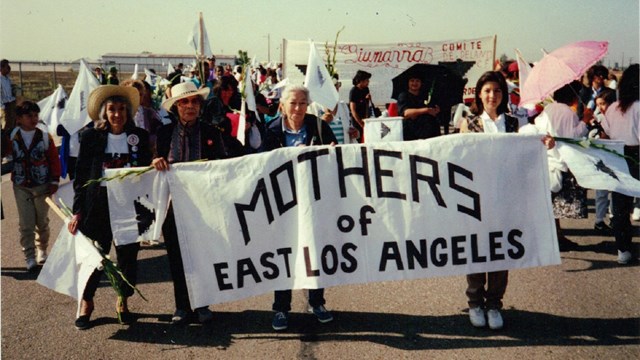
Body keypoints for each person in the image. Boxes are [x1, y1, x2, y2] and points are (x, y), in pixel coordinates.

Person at [460, 71, 555, 330]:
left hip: (507, 197)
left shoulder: (514, 123)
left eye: (498, 91)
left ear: (504, 94)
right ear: (479, 93)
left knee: (501, 252)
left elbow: (527, 149)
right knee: (478, 250)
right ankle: (475, 302)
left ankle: (494, 303)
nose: (493, 96)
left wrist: (543, 143)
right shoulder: (470, 123)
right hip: (477, 197)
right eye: (488, 90)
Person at [152, 82, 244, 325]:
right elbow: (151, 162)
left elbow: (224, 164)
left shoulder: (211, 133)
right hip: (172, 205)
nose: (190, 106)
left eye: (194, 102)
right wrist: (156, 161)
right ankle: (182, 306)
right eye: (184, 102)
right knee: (176, 256)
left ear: (200, 106)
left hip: (203, 208)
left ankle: (202, 302)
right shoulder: (163, 134)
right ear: (176, 107)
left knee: (201, 256)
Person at [68, 85, 152, 330]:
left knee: (127, 255)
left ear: (128, 112)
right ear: (104, 112)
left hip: (128, 205)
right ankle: (86, 301)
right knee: (95, 255)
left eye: (122, 110)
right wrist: (77, 210)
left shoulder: (139, 137)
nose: (117, 115)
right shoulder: (91, 137)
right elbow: (81, 175)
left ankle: (123, 299)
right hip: (98, 205)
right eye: (112, 109)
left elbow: (146, 172)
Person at [261, 85, 337, 331]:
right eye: (293, 103)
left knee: (314, 252)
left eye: (303, 103)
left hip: (315, 200)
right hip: (283, 203)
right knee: (285, 254)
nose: (298, 108)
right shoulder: (271, 131)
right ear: (281, 105)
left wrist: (333, 152)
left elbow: (337, 156)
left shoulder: (318, 126)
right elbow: (261, 165)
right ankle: (281, 308)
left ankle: (317, 302)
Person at [6, 101, 61, 271]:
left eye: (36, 115)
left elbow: (53, 159)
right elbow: (6, 154)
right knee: (26, 223)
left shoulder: (44, 136)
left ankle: (42, 249)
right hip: (21, 186)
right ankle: (29, 255)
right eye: (29, 115)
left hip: (42, 186)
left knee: (42, 221)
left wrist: (54, 180)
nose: (34, 118)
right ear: (19, 118)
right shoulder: (12, 136)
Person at [600, 64, 639, 264]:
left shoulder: (613, 107)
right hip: (636, 155)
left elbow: (604, 134)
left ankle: (623, 249)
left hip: (616, 156)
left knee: (620, 208)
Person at [397, 70, 442, 140]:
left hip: (429, 133)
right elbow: (406, 113)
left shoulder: (426, 95)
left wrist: (436, 110)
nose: (415, 83)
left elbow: (433, 110)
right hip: (411, 134)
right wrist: (426, 110)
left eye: (417, 81)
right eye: (412, 81)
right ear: (408, 83)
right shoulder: (403, 96)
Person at [349, 70, 372, 142]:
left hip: (365, 119)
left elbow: (368, 105)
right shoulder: (354, 91)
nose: (368, 82)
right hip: (357, 121)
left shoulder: (366, 89)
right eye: (366, 80)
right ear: (361, 81)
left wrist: (368, 99)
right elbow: (353, 110)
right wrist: (360, 123)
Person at [1, 59, 17, 131]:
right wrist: (2, 106)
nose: (9, 68)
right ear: (1, 68)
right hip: (4, 105)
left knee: (12, 122)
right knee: (5, 123)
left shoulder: (8, 79)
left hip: (10, 102)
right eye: (7, 67)